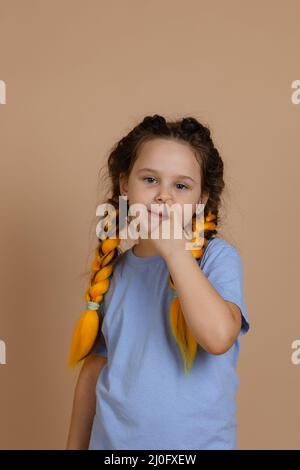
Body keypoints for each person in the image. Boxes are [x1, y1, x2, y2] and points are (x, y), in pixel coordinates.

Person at [66, 114, 250, 450]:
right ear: (125, 185)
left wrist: (175, 251)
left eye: (181, 186)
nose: (164, 196)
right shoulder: (114, 270)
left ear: (201, 199)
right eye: (150, 180)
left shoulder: (216, 258)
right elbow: (94, 371)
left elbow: (219, 337)